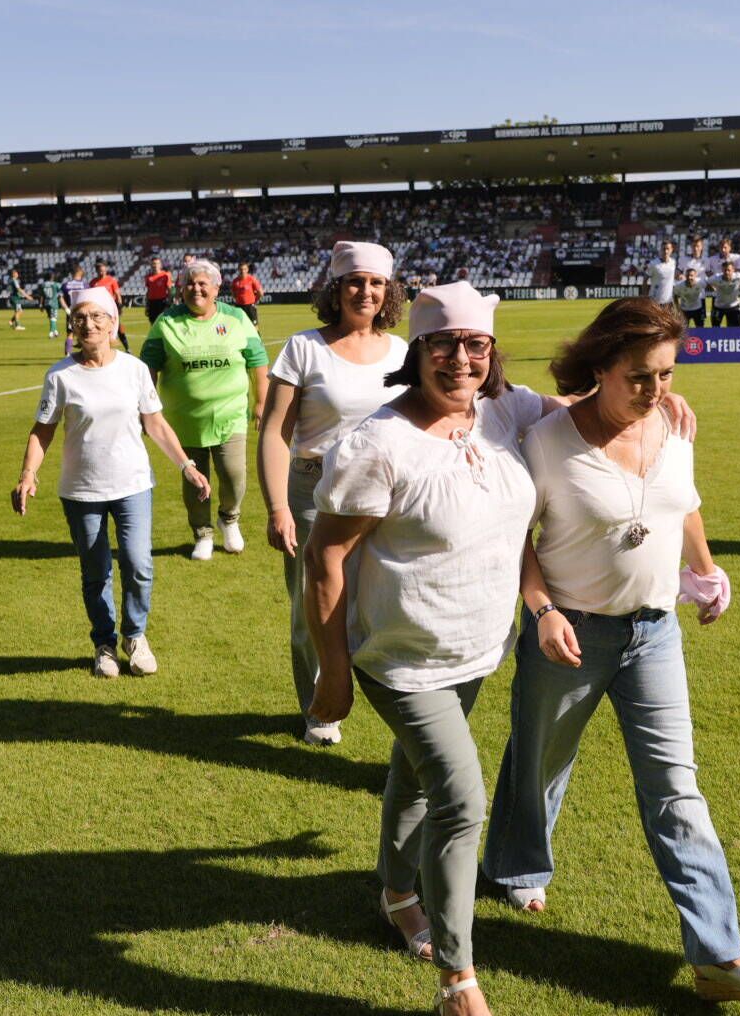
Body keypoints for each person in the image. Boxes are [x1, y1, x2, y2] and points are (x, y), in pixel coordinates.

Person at [304, 282, 699, 1016]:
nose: (461, 360)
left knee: (417, 778)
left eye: (476, 345)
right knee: (461, 798)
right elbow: (324, 562)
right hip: (401, 658)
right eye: (443, 345)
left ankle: (395, 892)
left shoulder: (506, 414)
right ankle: (460, 981)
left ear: (493, 353)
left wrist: (662, 408)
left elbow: (587, 416)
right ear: (417, 350)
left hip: (478, 649)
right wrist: (333, 675)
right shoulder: (378, 444)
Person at [482, 297, 740, 1005]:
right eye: (639, 377)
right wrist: (544, 609)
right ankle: (519, 864)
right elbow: (516, 537)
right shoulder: (549, 440)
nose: (655, 391)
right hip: (572, 634)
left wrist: (703, 571)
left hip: (655, 633)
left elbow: (682, 502)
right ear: (601, 367)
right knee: (540, 757)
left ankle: (717, 955)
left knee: (676, 788)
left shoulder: (676, 423)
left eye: (665, 374)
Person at [12, 288, 211, 676]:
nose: (88, 324)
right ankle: (104, 643)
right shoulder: (60, 375)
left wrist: (186, 464)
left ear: (113, 323)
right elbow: (43, 431)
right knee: (95, 570)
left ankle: (135, 637)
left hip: (132, 483)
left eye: (97, 317)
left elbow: (154, 423)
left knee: (138, 563)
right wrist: (27, 474)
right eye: (81, 318)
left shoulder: (134, 370)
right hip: (81, 490)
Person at [259, 241, 408, 747]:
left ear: (388, 291)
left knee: (387, 601)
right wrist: (279, 506)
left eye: (376, 283)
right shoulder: (303, 347)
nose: (365, 291)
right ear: (337, 288)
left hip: (387, 491)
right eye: (355, 281)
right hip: (314, 489)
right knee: (313, 610)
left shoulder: (405, 352)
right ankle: (319, 707)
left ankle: (396, 702)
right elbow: (275, 431)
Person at [140, 260, 269, 560]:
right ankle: (202, 533)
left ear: (216, 289)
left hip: (230, 414)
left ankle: (230, 518)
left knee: (234, 476)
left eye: (202, 284)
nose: (195, 289)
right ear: (181, 288)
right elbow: (148, 367)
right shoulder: (167, 322)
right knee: (194, 480)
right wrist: (146, 410)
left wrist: (261, 402)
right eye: (190, 283)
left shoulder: (237, 318)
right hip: (183, 420)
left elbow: (258, 360)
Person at [92, 260, 129, 352]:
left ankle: (127, 348)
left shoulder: (111, 280)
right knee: (101, 328)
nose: (102, 272)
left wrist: (120, 305)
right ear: (96, 271)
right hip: (99, 310)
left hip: (111, 308)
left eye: (103, 270)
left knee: (119, 327)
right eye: (100, 270)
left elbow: (117, 293)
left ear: (106, 269)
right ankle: (103, 348)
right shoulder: (93, 282)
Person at [61, 265, 88, 357]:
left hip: (71, 312)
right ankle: (85, 354)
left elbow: (60, 298)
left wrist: (66, 309)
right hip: (83, 312)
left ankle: (67, 355)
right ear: (80, 272)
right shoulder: (84, 285)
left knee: (70, 333)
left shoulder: (65, 285)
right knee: (84, 332)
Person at [707, 260, 740, 327]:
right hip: (718, 306)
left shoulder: (739, 277)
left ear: (733, 270)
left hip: (733, 307)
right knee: (715, 329)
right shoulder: (716, 278)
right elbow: (706, 282)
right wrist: (712, 287)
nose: (727, 272)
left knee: (734, 331)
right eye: (725, 270)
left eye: (729, 270)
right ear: (722, 270)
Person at [230, 262, 264, 327]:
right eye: (241, 269)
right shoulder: (235, 281)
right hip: (239, 306)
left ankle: (256, 337)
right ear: (238, 270)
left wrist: (254, 301)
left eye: (244, 269)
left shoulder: (252, 279)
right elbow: (233, 293)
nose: (242, 271)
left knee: (254, 326)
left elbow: (260, 292)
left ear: (247, 269)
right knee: (239, 325)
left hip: (250, 306)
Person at [143, 256, 174, 324]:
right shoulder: (148, 277)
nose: (155, 265)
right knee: (152, 321)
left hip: (162, 301)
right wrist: (147, 304)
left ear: (160, 265)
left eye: (157, 263)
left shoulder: (166, 275)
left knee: (163, 321)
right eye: (153, 263)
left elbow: (169, 289)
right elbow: (148, 291)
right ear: (151, 265)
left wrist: (170, 301)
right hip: (152, 302)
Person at [646, 240, 676, 305]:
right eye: (663, 249)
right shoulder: (653, 264)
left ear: (671, 250)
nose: (665, 251)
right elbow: (645, 279)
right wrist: (644, 296)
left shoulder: (673, 262)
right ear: (660, 250)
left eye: (667, 249)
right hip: (655, 301)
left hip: (669, 302)